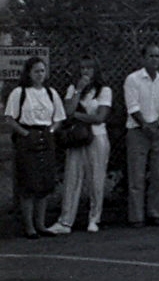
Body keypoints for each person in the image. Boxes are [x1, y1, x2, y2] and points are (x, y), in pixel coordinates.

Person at [5, 57, 65, 238]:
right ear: (29, 73)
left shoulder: (50, 93)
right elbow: (10, 118)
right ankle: (29, 226)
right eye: (36, 71)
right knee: (28, 184)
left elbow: (59, 118)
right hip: (27, 137)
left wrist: (51, 131)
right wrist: (25, 134)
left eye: (42, 71)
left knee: (44, 184)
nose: (40, 75)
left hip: (46, 136)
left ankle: (41, 224)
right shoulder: (19, 92)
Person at [52, 56, 113, 233]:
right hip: (76, 137)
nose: (85, 71)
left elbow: (100, 117)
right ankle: (66, 221)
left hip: (97, 136)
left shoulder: (104, 90)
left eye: (89, 68)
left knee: (96, 178)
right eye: (82, 68)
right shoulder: (73, 88)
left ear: (95, 70)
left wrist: (78, 116)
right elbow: (67, 111)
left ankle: (94, 218)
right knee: (72, 177)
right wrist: (78, 91)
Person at [123, 43, 159, 227]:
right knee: (137, 175)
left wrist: (158, 123)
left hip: (158, 131)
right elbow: (132, 106)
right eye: (151, 56)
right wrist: (144, 124)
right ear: (143, 59)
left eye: (157, 56)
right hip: (137, 130)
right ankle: (136, 216)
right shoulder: (133, 79)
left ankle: (157, 213)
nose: (155, 60)